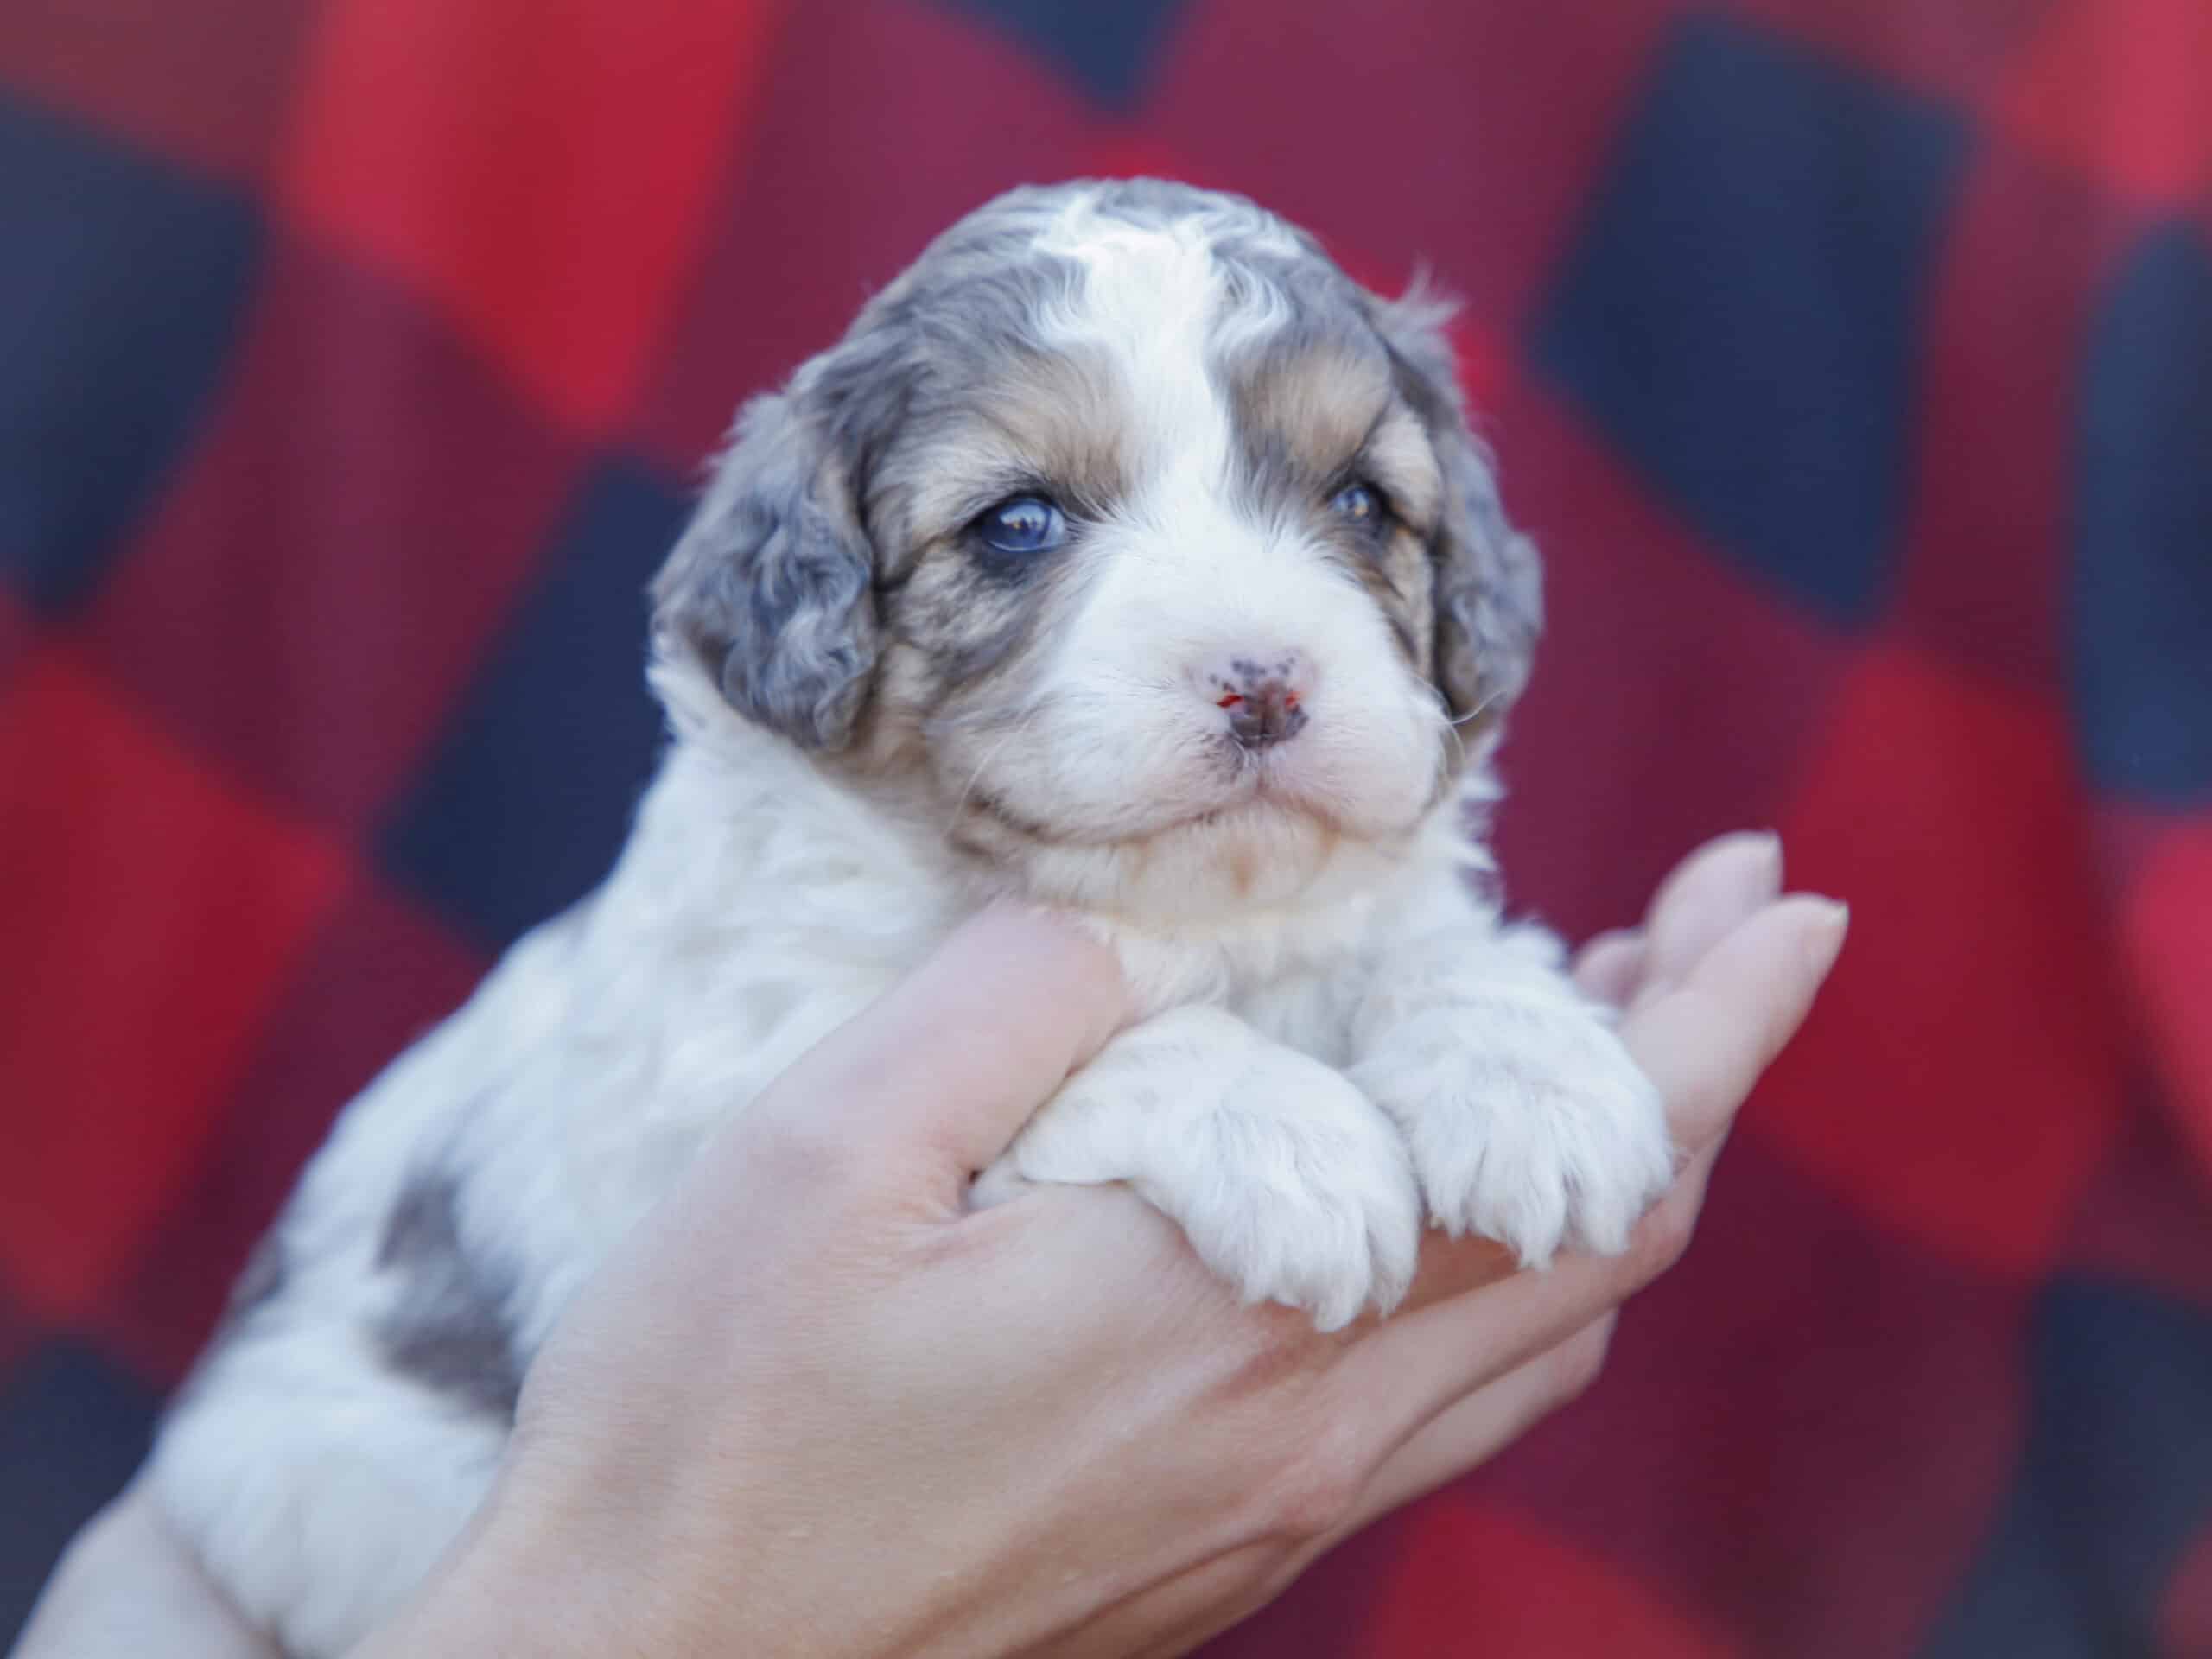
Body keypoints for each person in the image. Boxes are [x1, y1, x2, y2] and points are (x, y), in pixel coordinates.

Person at [14, 832, 1842, 1658]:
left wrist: (1469, 1022)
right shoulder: (783, 879)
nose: (1256, 657)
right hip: (304, 1570)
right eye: (1027, 521)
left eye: (1352, 502)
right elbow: (786, 1157)